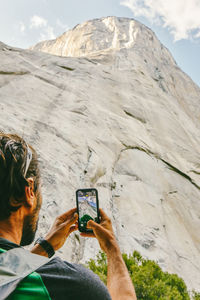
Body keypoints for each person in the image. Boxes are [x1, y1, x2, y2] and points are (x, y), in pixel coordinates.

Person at [0, 133, 137, 300]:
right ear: (29, 192)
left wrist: (44, 247)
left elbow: (6, 274)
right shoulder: (70, 286)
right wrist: (112, 248)